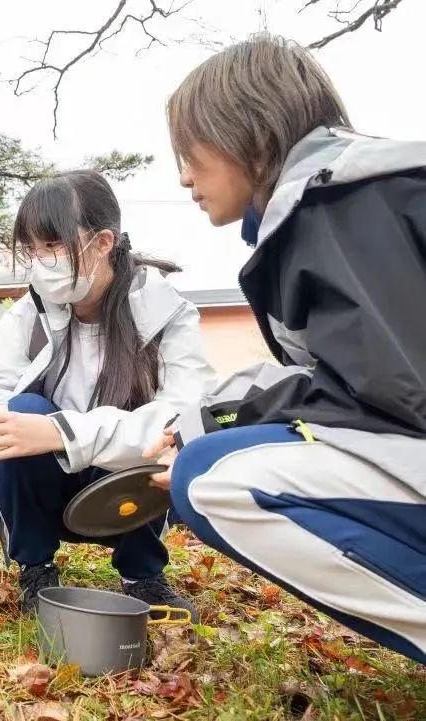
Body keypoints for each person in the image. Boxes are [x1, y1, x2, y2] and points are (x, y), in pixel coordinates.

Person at [151, 34, 426, 662]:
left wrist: (217, 419)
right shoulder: (359, 191)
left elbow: (400, 394)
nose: (184, 175)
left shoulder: (341, 200)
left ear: (245, 129)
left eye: (187, 150)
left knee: (215, 477)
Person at [0, 170, 217, 613]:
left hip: (127, 490)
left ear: (103, 242)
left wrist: (59, 432)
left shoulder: (165, 313)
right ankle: (36, 568)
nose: (41, 261)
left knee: (158, 430)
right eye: (32, 249)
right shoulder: (29, 315)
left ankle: (142, 573)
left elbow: (183, 417)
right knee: (17, 409)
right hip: (52, 487)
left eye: (54, 246)